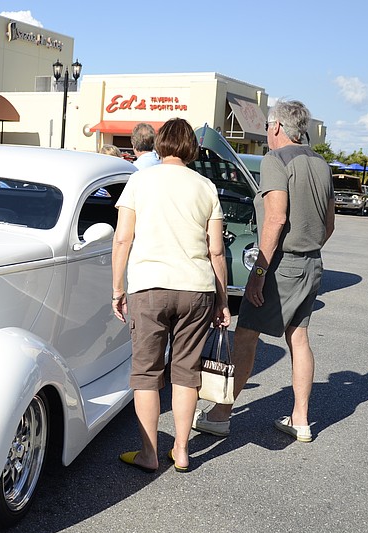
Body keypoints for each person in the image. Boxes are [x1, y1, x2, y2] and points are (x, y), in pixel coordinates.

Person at [193, 99, 335, 443]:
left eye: (268, 128)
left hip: (281, 264)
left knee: (245, 335)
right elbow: (329, 224)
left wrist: (258, 273)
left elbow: (276, 218)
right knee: (298, 337)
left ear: (276, 127)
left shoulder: (275, 160)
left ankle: (220, 415)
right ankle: (300, 419)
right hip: (312, 262)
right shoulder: (321, 164)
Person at [112, 118, 230, 473]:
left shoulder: (139, 180)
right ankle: (181, 450)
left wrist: (118, 288)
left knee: (146, 374)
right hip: (196, 288)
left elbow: (122, 238)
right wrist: (222, 300)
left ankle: (148, 454)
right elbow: (216, 251)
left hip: (149, 286)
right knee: (186, 372)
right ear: (191, 148)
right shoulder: (206, 186)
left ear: (160, 143)